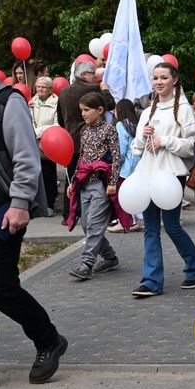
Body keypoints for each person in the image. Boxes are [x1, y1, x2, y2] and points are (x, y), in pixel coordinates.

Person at [0, 44, 67, 389]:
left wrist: (21, 202)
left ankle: (49, 340)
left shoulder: (7, 101)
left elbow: (27, 157)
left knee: (1, 288)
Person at [130, 61, 195, 297]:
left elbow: (192, 147)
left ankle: (194, 268)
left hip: (171, 176)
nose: (159, 82)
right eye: (155, 78)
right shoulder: (148, 111)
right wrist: (143, 137)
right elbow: (135, 149)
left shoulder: (183, 109)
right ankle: (151, 281)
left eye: (163, 78)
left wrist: (165, 141)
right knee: (150, 228)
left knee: (172, 226)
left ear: (174, 80)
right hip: (147, 175)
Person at [66, 92, 122, 280]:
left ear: (100, 110)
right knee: (86, 224)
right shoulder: (85, 131)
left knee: (95, 225)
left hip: (101, 183)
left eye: (86, 110)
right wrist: (74, 180)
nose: (83, 114)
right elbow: (81, 158)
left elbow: (116, 158)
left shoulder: (109, 130)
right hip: (85, 183)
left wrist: (113, 182)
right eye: (81, 110)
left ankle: (86, 264)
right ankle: (110, 257)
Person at [57, 60, 116, 226]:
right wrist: (105, 90)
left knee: (72, 178)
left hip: (69, 142)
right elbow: (110, 104)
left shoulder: (63, 92)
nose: (95, 78)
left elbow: (61, 119)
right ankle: (89, 213)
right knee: (91, 178)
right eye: (92, 74)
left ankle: (68, 214)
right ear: (84, 75)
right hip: (91, 142)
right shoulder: (94, 90)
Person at [107, 99, 143, 233]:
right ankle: (140, 220)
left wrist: (115, 163)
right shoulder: (135, 124)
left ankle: (126, 221)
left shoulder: (121, 125)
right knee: (138, 194)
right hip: (138, 165)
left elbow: (121, 148)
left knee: (123, 194)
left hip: (126, 167)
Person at [29, 76, 59, 216]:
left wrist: (37, 132)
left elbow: (57, 124)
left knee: (49, 175)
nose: (40, 89)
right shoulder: (31, 102)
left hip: (48, 144)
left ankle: (49, 203)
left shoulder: (56, 103)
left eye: (43, 87)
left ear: (50, 89)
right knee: (34, 174)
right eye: (38, 86)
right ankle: (35, 204)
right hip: (32, 144)